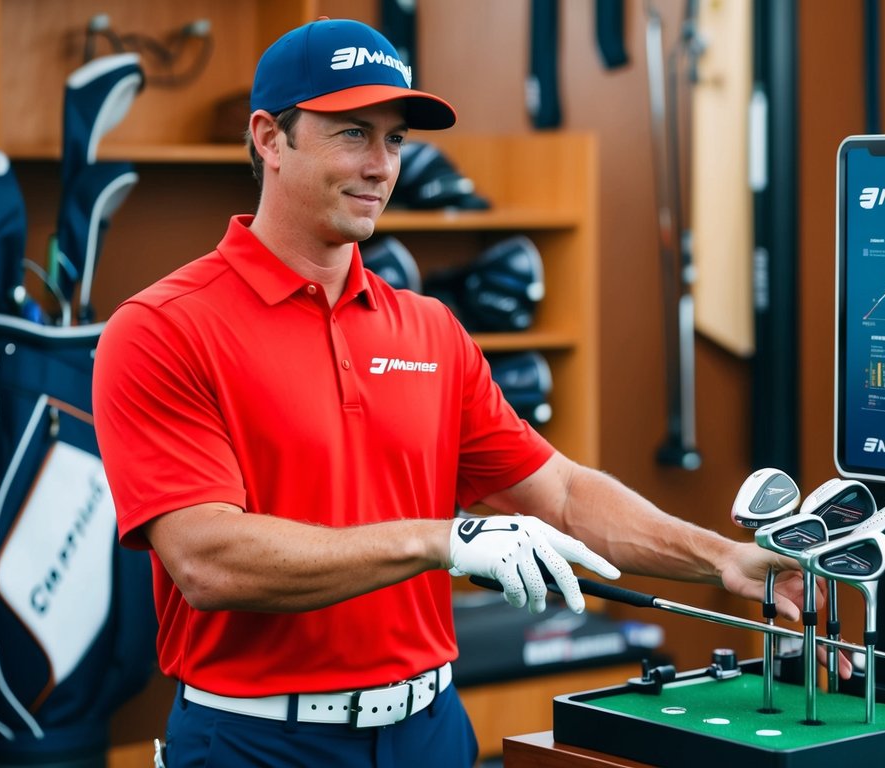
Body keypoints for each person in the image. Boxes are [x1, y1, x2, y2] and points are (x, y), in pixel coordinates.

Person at [93, 17, 843, 768]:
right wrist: (441, 539)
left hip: (431, 731)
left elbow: (562, 495)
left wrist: (722, 559)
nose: (380, 166)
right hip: (256, 742)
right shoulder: (163, 329)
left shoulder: (428, 329)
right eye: (352, 133)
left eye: (394, 140)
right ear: (268, 137)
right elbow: (209, 562)